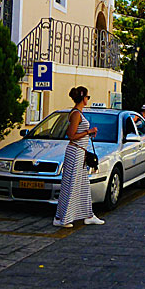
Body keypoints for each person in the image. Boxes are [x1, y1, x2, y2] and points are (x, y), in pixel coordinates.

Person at [53, 86, 105, 228]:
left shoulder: (78, 113)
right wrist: (89, 131)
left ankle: (88, 215)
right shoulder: (76, 114)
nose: (88, 99)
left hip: (79, 152)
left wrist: (88, 133)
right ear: (83, 98)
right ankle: (63, 218)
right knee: (72, 184)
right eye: (88, 97)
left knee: (82, 185)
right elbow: (71, 135)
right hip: (75, 152)